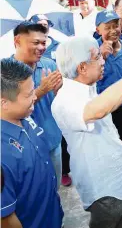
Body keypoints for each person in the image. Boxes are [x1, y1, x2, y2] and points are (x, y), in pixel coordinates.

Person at [52, 35, 122, 228]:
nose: (103, 60)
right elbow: (98, 110)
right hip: (103, 189)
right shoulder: (65, 100)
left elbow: (113, 99)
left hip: (118, 180)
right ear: (82, 68)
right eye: (97, 57)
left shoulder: (89, 87)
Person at [1, 58, 64, 228]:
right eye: (29, 94)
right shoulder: (3, 154)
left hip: (51, 214)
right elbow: (6, 219)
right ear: (3, 102)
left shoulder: (25, 117)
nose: (36, 95)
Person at [11, 21, 63, 189]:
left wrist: (58, 92)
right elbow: (12, 110)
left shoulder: (49, 65)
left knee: (54, 191)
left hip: (51, 141)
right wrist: (41, 90)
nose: (41, 47)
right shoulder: (5, 71)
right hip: (22, 149)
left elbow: (60, 102)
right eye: (36, 43)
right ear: (17, 41)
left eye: (44, 42)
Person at [95, 10, 122, 191]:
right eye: (108, 27)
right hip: (107, 109)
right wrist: (101, 57)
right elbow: (91, 85)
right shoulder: (93, 52)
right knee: (114, 146)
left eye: (116, 26)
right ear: (98, 30)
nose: (113, 30)